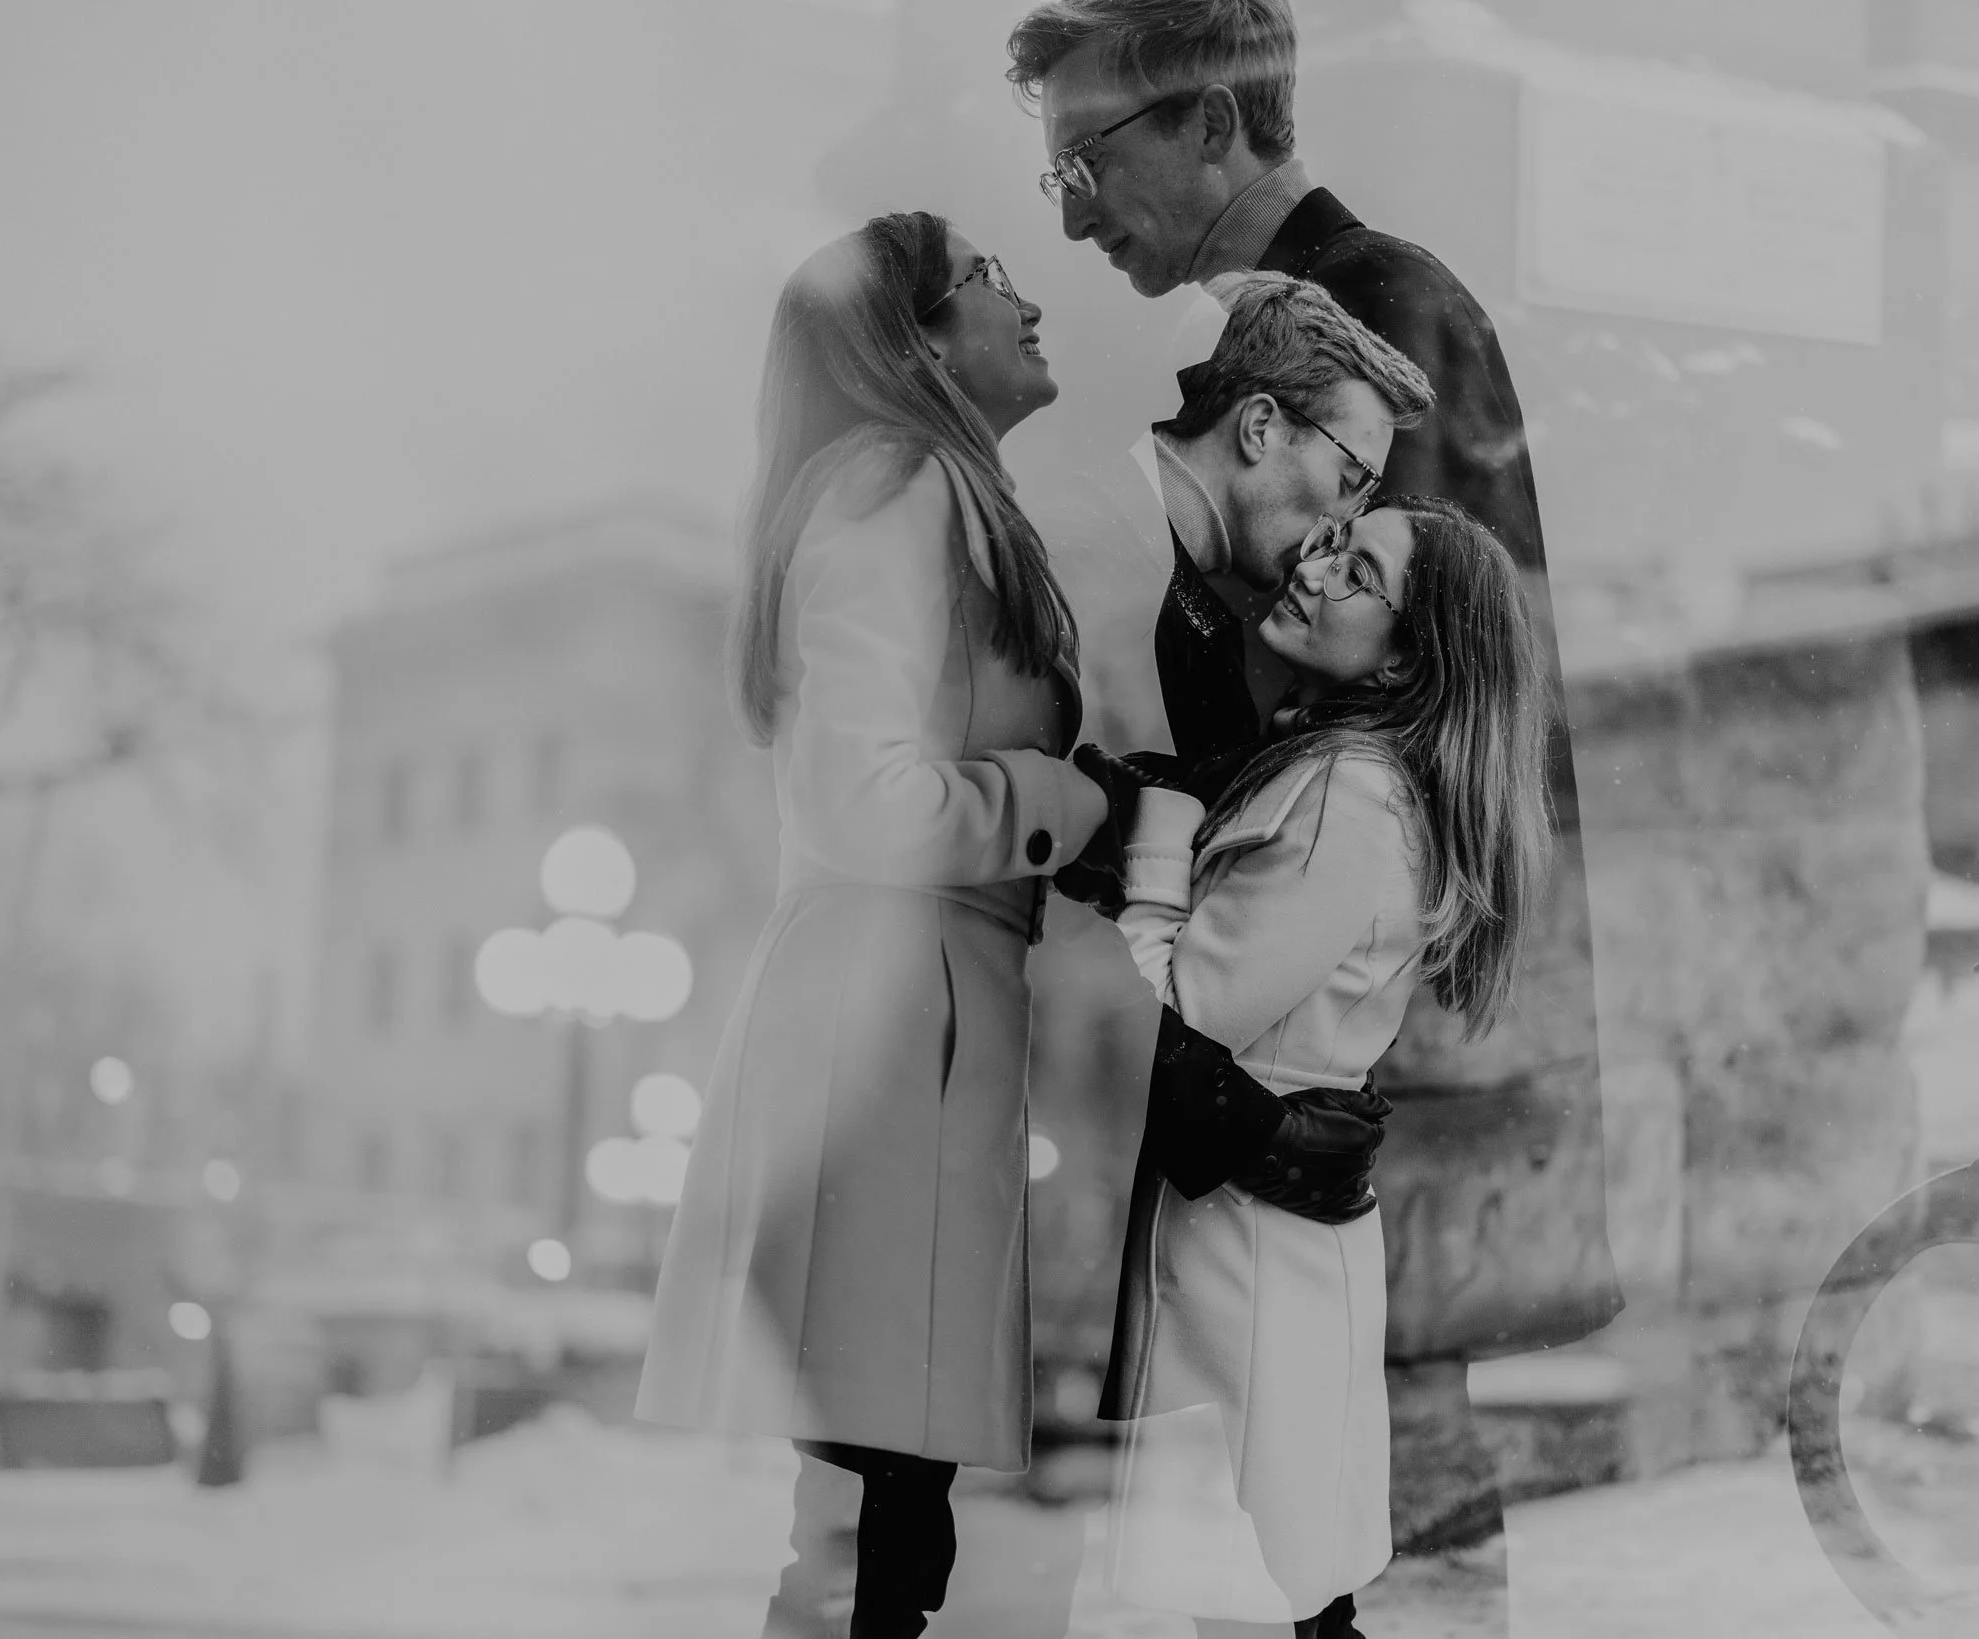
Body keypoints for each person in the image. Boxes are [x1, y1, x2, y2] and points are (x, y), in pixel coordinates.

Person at [1008, 0, 1618, 1583]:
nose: (1067, 210)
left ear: (1212, 120)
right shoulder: (1297, 340)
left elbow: (1443, 698)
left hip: (1348, 1088)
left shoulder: (1371, 325)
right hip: (1305, 1067)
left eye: (1088, 156)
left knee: (1376, 1518)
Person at [634, 211, 1112, 1639]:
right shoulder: (897, 490)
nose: (1026, 298)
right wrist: (1060, 806)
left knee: (875, 1521)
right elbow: (866, 801)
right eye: (984, 280)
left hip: (912, 1023)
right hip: (889, 1026)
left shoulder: (926, 493)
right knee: (869, 1532)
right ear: (915, 338)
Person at [1098, 499, 1554, 1639]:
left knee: (1248, 1586)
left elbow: (1192, 999)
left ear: (1409, 651)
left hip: (1245, 1254)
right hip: (1279, 1249)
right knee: (1284, 1582)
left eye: (1359, 570)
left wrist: (1151, 834)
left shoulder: (1346, 795)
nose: (1314, 565)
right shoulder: (1355, 772)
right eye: (1335, 539)